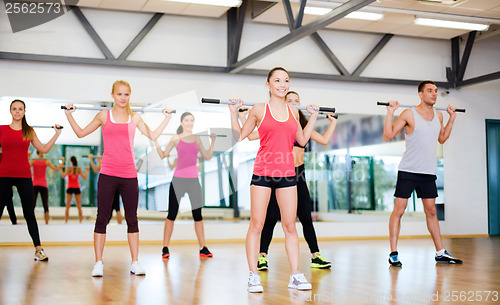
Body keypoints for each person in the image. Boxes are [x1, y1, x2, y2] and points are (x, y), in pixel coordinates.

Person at [64, 80, 172, 277]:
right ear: (112, 95)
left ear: (130, 96)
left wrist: (166, 118)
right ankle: (98, 263)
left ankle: (135, 262)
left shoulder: (135, 117)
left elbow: (153, 135)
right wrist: (69, 115)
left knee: (132, 220)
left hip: (129, 175)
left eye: (127, 94)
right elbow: (80, 133)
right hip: (107, 173)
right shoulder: (103, 116)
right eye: (120, 94)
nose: (123, 98)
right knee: (101, 219)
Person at [229, 67, 319, 293]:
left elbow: (301, 139)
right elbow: (241, 136)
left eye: (286, 80)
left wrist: (314, 117)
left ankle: (295, 275)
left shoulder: (293, 112)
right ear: (268, 84)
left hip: (288, 174)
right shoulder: (260, 109)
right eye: (277, 80)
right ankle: (252, 275)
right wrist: (233, 112)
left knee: (290, 226)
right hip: (262, 173)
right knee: (257, 225)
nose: (282, 84)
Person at [239, 91, 337, 271]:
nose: (292, 103)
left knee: (305, 217)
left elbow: (323, 139)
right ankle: (262, 256)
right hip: (277, 172)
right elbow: (250, 134)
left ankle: (316, 255)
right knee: (271, 217)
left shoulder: (301, 125)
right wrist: (243, 116)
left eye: (296, 101)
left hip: (297, 175)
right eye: (289, 100)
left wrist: (333, 123)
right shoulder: (277, 123)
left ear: (300, 105)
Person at [383, 80, 462, 267]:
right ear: (420, 94)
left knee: (432, 212)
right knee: (399, 211)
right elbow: (388, 135)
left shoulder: (439, 116)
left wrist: (452, 118)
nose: (434, 94)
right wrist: (390, 112)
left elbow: (442, 138)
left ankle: (440, 253)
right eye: (429, 91)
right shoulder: (409, 113)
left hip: (427, 172)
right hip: (408, 170)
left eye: (435, 91)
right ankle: (393, 253)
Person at [0, 100, 62, 260]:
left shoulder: (29, 131)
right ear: (10, 111)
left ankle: (38, 250)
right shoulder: (2, 129)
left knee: (29, 213)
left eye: (20, 109)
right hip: (4, 175)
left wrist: (57, 134)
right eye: (14, 109)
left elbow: (44, 149)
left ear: (24, 111)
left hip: (24, 176)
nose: (17, 112)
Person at [154, 112, 216, 259]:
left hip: (193, 181)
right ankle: (165, 247)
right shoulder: (175, 138)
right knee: (172, 215)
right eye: (187, 120)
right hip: (178, 181)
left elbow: (207, 157)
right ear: (182, 122)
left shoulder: (197, 139)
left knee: (198, 216)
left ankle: (203, 247)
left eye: (191, 120)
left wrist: (212, 141)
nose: (189, 123)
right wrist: (155, 141)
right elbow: (163, 154)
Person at [30, 150, 64, 224]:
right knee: (45, 205)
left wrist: (27, 157)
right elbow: (57, 169)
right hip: (42, 185)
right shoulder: (46, 161)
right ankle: (47, 223)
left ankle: (30, 222)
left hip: (35, 185)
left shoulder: (33, 161)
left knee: (33, 205)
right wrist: (62, 162)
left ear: (36, 153)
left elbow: (26, 167)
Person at [88, 154, 123, 224]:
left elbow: (96, 169)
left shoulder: (105, 161)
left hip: (110, 187)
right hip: (116, 186)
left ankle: (108, 224)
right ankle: (119, 225)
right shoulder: (114, 162)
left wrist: (90, 160)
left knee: (113, 208)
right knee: (116, 208)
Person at [60, 156, 89, 223]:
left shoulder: (74, 168)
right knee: (69, 205)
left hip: (75, 187)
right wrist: (61, 169)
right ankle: (67, 221)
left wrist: (61, 169)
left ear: (70, 162)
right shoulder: (72, 168)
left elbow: (63, 176)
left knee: (76, 205)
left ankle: (76, 221)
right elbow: (84, 177)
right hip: (71, 187)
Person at [0, 146, 18, 225]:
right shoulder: (4, 156)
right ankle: (14, 221)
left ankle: (14, 220)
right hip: (4, 181)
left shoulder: (5, 155)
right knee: (8, 203)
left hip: (5, 181)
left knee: (8, 203)